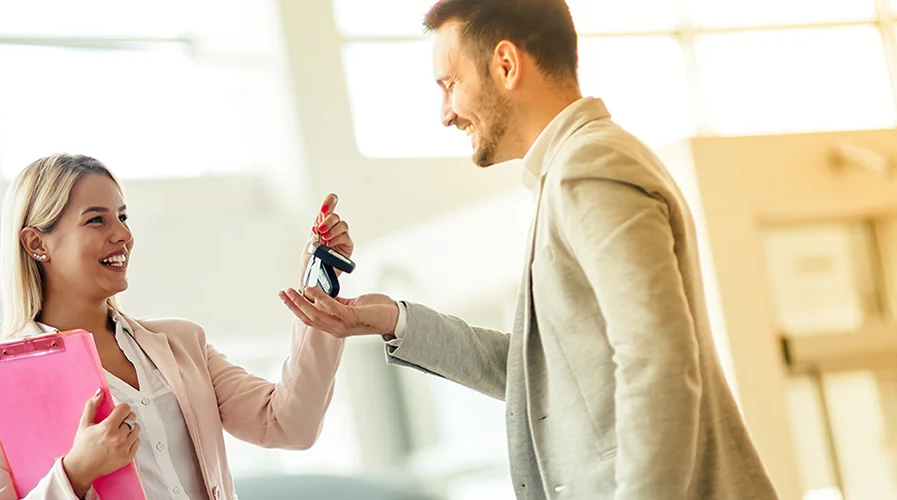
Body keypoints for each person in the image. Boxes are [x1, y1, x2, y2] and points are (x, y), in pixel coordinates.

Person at [277, 1, 779, 498]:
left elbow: (658, 362)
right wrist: (393, 320)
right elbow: (536, 373)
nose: (446, 114)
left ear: (506, 65)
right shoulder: (570, 171)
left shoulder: (590, 168)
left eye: (450, 85)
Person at [0, 153, 352, 500]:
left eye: (123, 217)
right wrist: (75, 473)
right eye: (96, 220)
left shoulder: (181, 344)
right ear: (35, 244)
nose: (123, 235)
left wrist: (317, 291)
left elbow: (290, 424)